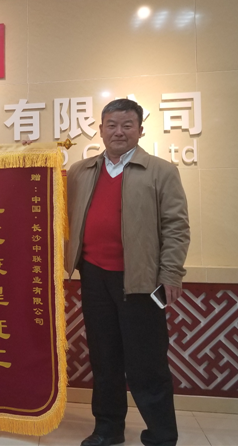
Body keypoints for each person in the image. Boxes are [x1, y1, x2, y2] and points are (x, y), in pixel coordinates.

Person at [65, 99, 190, 446]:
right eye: (112, 125)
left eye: (127, 125)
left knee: (147, 363)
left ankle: (162, 435)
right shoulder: (81, 171)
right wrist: (30, 157)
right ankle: (108, 429)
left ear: (140, 130)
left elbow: (176, 226)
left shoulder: (160, 171)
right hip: (94, 277)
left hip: (141, 280)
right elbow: (49, 197)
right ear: (101, 129)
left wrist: (171, 274)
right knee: (104, 358)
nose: (118, 132)